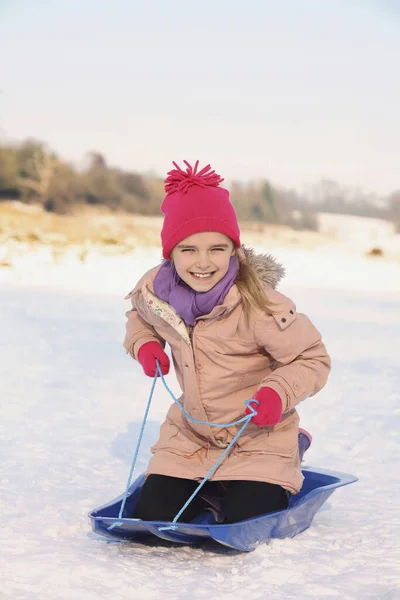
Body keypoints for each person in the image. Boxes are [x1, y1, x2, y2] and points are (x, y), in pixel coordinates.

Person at [123, 160, 331, 524]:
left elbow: (311, 358)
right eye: (188, 249)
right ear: (170, 254)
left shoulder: (259, 306)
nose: (203, 263)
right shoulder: (158, 294)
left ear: (234, 250)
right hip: (190, 438)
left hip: (258, 438)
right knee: (151, 518)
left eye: (217, 248)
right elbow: (139, 318)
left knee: (241, 519)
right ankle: (209, 483)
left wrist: (276, 392)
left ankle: (293, 444)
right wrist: (145, 345)